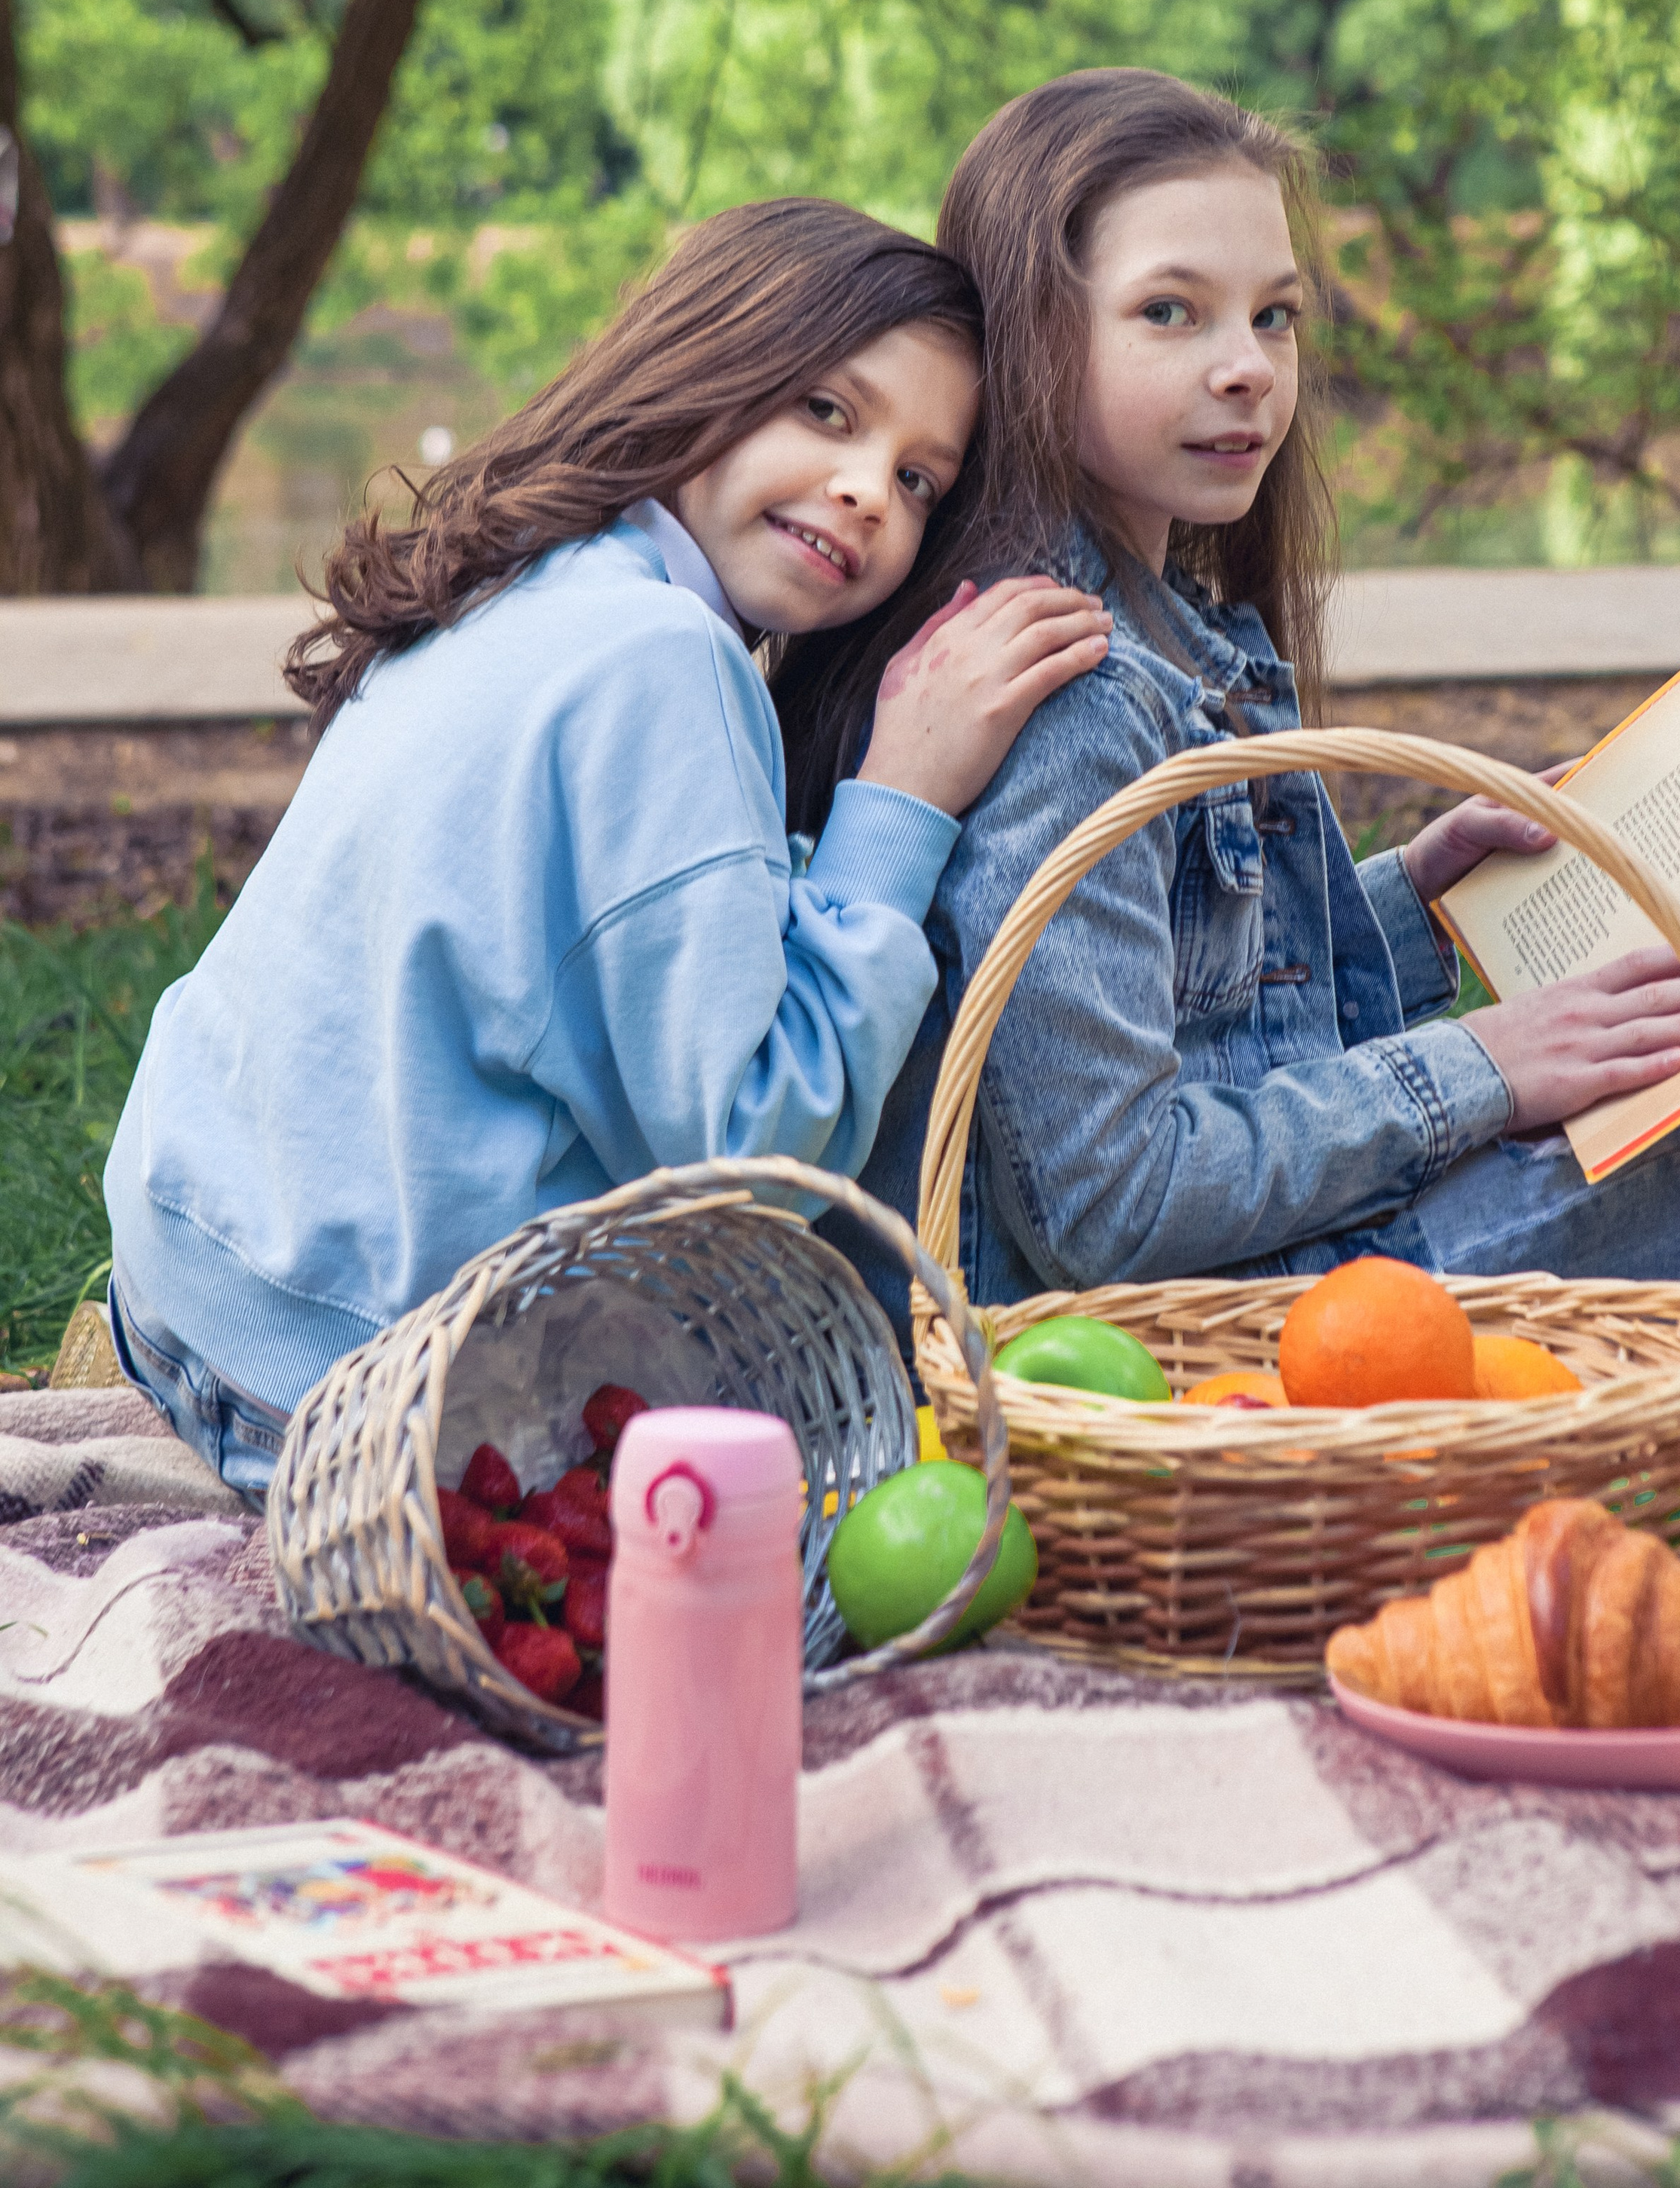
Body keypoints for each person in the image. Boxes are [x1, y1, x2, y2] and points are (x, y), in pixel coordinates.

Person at [828, 72, 1680, 1352]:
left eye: (1275, 315)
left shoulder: (1158, 625)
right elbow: (1106, 1203)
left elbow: (1202, 1009)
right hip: (1180, 1345)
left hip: (1261, 1271)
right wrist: (1486, 1066)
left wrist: (1424, 898)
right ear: (1029, 334)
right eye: (1171, 312)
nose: (1246, 368)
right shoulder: (1068, 690)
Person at [105, 198, 1111, 1490]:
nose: (870, 489)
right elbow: (751, 1167)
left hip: (185, 1278)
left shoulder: (533, 566)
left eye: (920, 479)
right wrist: (897, 804)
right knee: (869, 1454)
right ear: (711, 363)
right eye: (827, 412)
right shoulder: (664, 660)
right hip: (355, 1390)